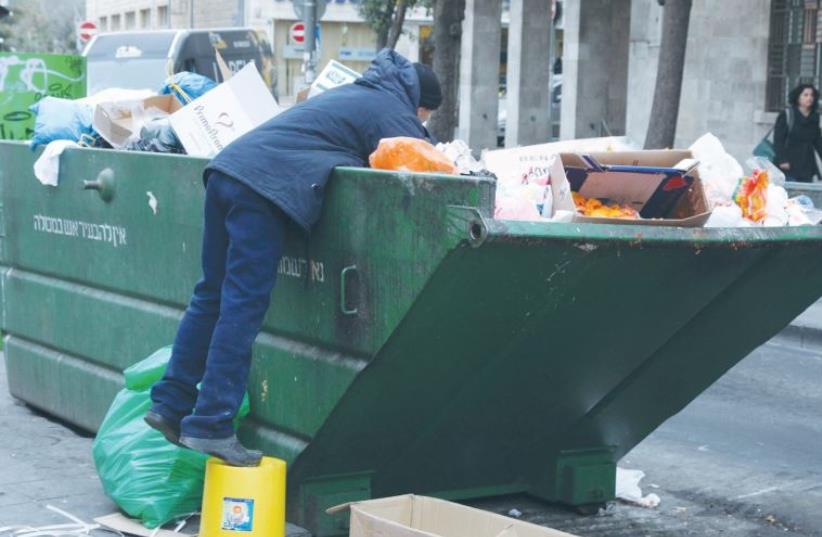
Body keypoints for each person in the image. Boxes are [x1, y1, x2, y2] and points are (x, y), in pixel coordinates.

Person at [144, 50, 442, 466]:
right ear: (420, 105)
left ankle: (170, 403)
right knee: (242, 304)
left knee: (210, 295)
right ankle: (211, 423)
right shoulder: (392, 109)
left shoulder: (357, 92)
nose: (422, 121)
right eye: (425, 115)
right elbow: (426, 164)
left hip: (226, 171)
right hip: (260, 189)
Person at [774, 83, 822, 182]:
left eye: (812, 95)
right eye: (805, 95)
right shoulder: (787, 115)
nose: (809, 98)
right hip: (788, 164)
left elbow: (818, 142)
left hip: (807, 164)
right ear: (798, 97)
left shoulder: (815, 117)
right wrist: (782, 159)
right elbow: (778, 140)